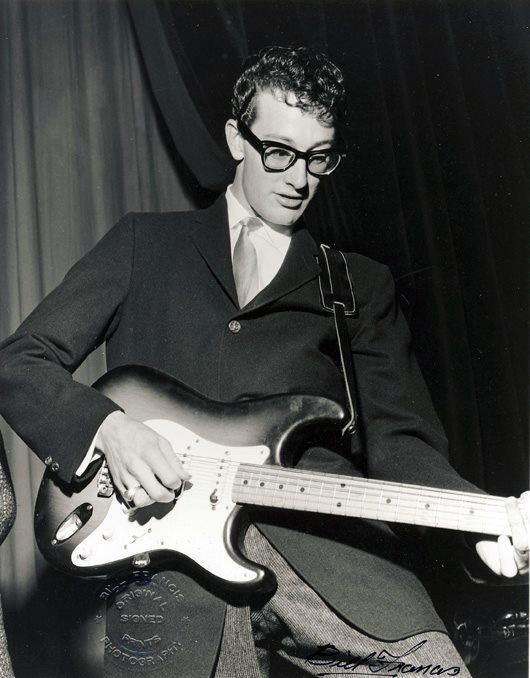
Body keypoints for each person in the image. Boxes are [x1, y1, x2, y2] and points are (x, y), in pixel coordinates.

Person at [0, 46, 527, 677]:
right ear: (235, 139)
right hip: (163, 564)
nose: (298, 178)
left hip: (332, 556)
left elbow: (402, 442)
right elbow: (21, 360)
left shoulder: (358, 283)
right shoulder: (145, 243)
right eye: (278, 152)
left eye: (318, 157)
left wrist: (480, 520)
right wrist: (109, 430)